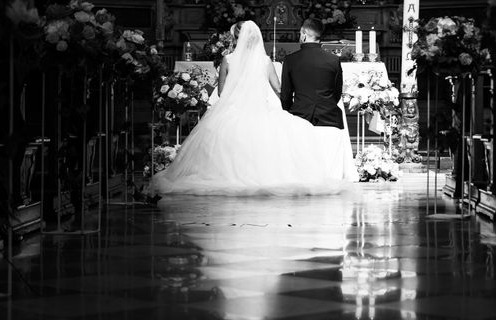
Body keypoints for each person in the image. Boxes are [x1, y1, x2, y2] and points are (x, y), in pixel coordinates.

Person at [149, 20, 350, 196]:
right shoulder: (264, 61)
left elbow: (221, 92)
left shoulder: (227, 59)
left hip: (231, 112)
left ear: (237, 38)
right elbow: (279, 89)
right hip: (260, 112)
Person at [281, 18, 344, 130]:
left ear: (303, 33)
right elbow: (337, 92)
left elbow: (286, 95)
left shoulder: (290, 60)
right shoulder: (333, 60)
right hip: (329, 118)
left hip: (299, 117)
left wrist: (290, 115)